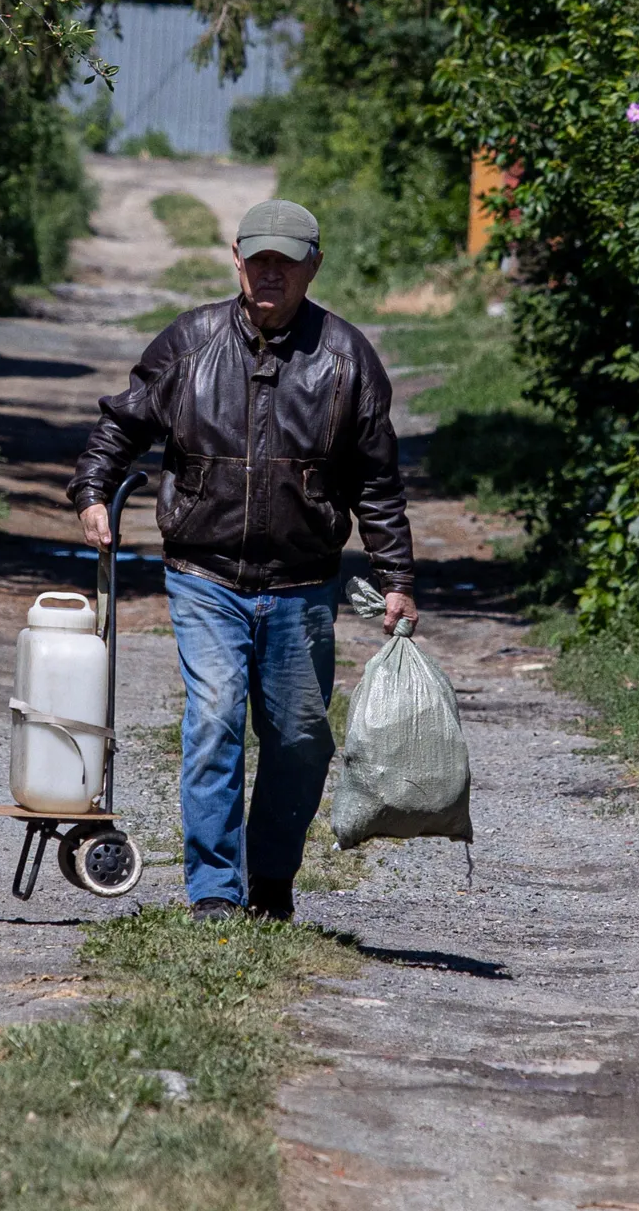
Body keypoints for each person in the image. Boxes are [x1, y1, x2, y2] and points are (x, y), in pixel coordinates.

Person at [68, 198, 418, 923]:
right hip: (203, 575)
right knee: (216, 718)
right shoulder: (190, 343)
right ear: (236, 257)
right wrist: (93, 491)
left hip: (303, 583)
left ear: (312, 267)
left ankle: (271, 879)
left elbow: (378, 483)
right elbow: (121, 422)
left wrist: (397, 580)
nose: (269, 275)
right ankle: (215, 894)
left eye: (285, 264)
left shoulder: (348, 358)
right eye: (258, 260)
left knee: (298, 740)